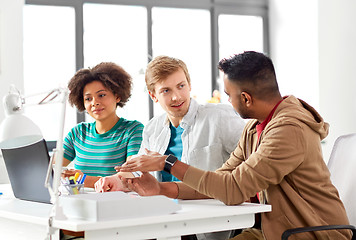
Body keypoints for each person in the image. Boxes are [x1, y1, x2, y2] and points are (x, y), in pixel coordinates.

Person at [96, 51, 351, 240]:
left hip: (312, 233)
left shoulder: (288, 130)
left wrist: (168, 163)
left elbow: (233, 189)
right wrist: (161, 187)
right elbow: (219, 181)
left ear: (246, 98)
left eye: (228, 95)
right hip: (275, 230)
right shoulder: (255, 128)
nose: (226, 101)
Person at [95, 55, 246, 240]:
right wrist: (114, 181)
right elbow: (137, 170)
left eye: (181, 86)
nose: (176, 96)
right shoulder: (152, 128)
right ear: (153, 95)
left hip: (209, 225)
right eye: (166, 90)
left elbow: (250, 165)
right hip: (167, 222)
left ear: (189, 85)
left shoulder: (220, 117)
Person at [61, 62, 144, 189]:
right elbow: (52, 168)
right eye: (88, 99)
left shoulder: (133, 130)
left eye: (101, 95)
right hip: (80, 202)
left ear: (117, 96)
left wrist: (82, 179)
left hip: (114, 204)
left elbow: (130, 175)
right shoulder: (77, 133)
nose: (95, 103)